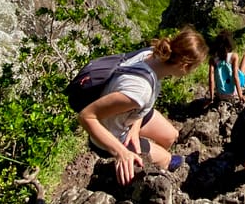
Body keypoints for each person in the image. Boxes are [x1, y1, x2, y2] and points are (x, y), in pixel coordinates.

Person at [78, 28, 209, 186]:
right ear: (184, 65)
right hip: (110, 135)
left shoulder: (154, 55)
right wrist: (121, 152)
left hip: (127, 113)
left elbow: (138, 101)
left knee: (171, 135)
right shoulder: (140, 91)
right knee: (168, 160)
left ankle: (149, 150)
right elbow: (86, 116)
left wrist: (135, 128)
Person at [208, 30, 245, 103]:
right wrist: (240, 96)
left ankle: (244, 82)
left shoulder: (212, 59)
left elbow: (211, 80)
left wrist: (211, 98)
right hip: (234, 93)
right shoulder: (233, 56)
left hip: (221, 95)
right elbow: (235, 76)